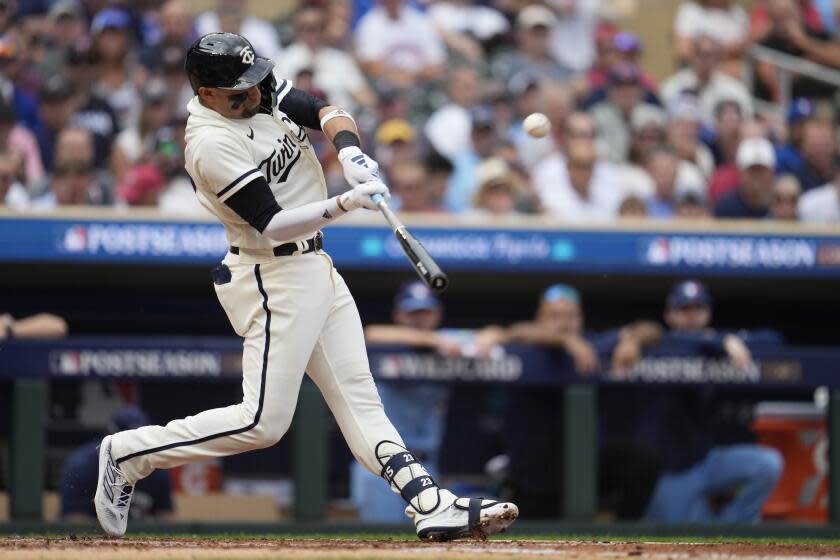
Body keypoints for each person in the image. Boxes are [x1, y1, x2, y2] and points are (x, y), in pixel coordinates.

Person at [93, 32, 517, 541]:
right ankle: (127, 453)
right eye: (239, 92)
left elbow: (323, 109)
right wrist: (344, 202)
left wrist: (349, 149)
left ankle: (429, 504)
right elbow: (271, 223)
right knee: (261, 423)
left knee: (361, 400)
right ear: (206, 92)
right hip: (270, 275)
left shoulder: (254, 88)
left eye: (256, 85)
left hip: (315, 266)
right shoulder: (209, 143)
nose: (255, 96)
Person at [473, 284, 663, 515]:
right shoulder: (526, 343)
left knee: (642, 461)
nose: (564, 322)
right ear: (539, 318)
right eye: (554, 316)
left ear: (581, 319)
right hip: (535, 479)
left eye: (570, 316)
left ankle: (621, 532)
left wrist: (632, 340)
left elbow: (651, 329)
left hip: (586, 469)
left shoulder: (594, 344)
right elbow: (515, 331)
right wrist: (567, 341)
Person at [352, 281, 463, 522]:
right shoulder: (387, 342)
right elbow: (370, 333)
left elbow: (496, 334)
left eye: (425, 312)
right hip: (382, 467)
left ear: (437, 314)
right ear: (398, 315)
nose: (419, 319)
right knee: (379, 545)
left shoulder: (448, 343)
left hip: (426, 466)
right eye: (413, 313)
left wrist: (485, 340)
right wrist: (433, 341)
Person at [62, 407, 173, 522]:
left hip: (141, 536)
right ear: (112, 437)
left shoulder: (155, 466)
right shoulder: (83, 465)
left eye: (140, 440)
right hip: (97, 536)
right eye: (130, 440)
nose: (135, 447)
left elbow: (166, 516)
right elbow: (74, 520)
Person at [714, 137, 776, 219]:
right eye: (751, 171)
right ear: (740, 173)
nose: (756, 177)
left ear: (771, 174)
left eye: (761, 171)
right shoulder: (725, 209)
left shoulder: (783, 204)